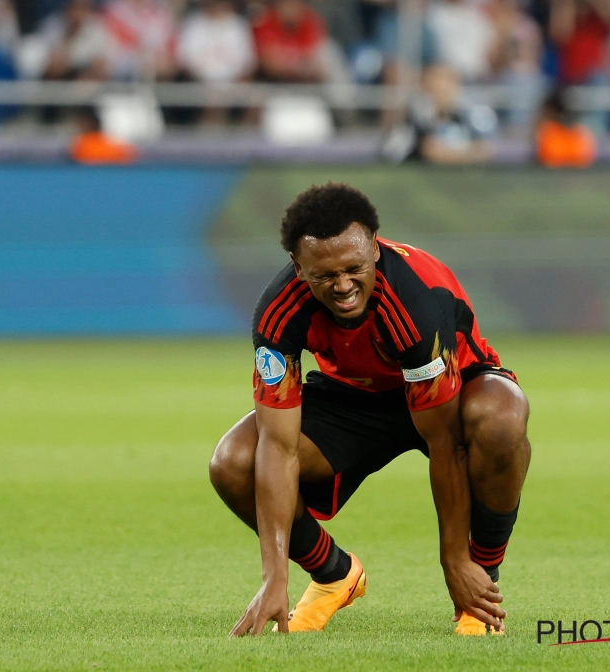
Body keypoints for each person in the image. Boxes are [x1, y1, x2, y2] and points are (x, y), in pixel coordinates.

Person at [212, 183, 530, 636]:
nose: (342, 286)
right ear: (298, 267)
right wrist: (273, 578)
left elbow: (446, 441)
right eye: (324, 275)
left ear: (375, 249)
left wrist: (455, 561)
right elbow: (278, 447)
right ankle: (333, 575)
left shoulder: (415, 298)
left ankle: (481, 586)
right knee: (234, 462)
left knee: (502, 418)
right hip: (354, 400)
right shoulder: (277, 314)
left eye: (353, 268)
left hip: (453, 393)